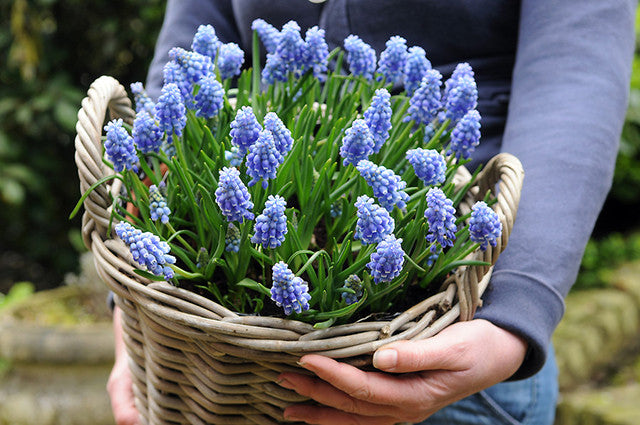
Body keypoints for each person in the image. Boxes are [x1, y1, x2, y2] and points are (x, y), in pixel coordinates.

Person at [107, 1, 637, 424]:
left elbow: (577, 64)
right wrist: (132, 305)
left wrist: (514, 313)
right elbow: (188, 52)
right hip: (212, 371)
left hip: (454, 330)